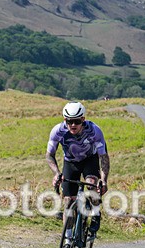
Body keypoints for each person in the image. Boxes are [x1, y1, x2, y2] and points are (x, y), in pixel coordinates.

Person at [46, 101, 110, 239]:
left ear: (83, 119)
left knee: (92, 184)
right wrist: (56, 174)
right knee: (68, 200)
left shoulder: (94, 130)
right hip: (71, 162)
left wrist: (104, 181)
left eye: (76, 121)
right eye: (69, 121)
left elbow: (103, 157)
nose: (73, 125)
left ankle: (96, 213)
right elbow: (49, 155)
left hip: (90, 159)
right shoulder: (58, 131)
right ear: (65, 120)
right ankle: (68, 238)